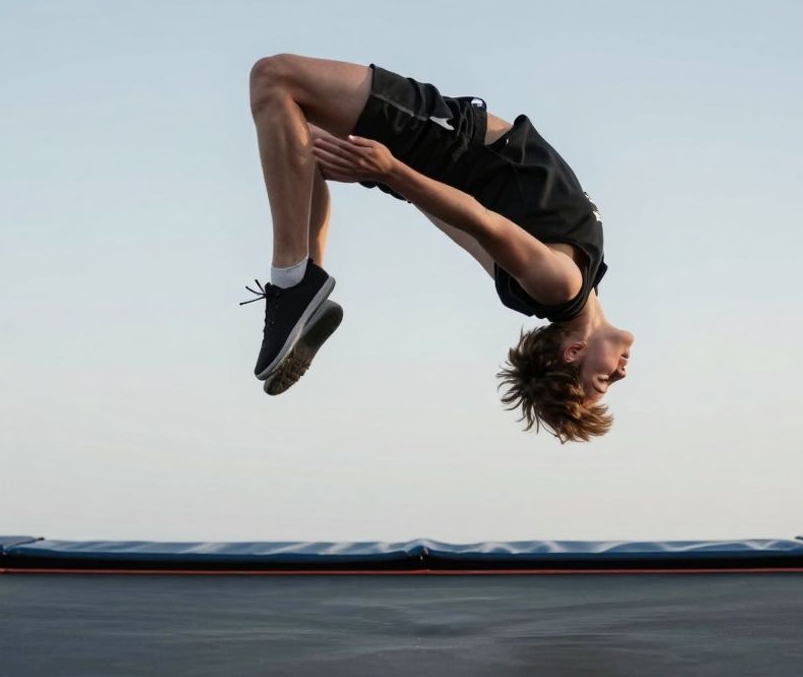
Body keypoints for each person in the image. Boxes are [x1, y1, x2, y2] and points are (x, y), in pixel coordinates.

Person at [244, 54, 634, 442]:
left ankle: (292, 282)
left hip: (449, 139)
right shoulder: (561, 286)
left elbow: (480, 221)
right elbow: (464, 228)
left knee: (274, 78)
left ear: (573, 353)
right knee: (300, 143)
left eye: (602, 382)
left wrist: (391, 171)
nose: (621, 374)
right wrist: (395, 176)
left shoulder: (560, 286)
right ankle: (308, 283)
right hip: (437, 158)